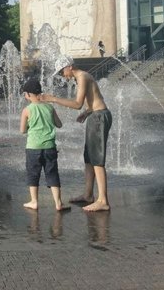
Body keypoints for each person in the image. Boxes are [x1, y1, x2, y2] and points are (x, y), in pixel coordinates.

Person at [41, 55, 113, 212]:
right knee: (89, 157)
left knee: (97, 159)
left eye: (61, 72)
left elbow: (77, 104)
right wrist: (87, 113)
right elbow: (93, 100)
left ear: (69, 67)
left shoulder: (82, 77)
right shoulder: (82, 77)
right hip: (95, 115)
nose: (62, 76)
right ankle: (88, 195)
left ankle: (103, 200)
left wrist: (53, 99)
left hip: (100, 117)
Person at [19, 77, 69, 212]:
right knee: (52, 174)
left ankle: (34, 202)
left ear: (29, 95)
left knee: (33, 174)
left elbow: (23, 130)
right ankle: (58, 203)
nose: (24, 96)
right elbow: (59, 124)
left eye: (25, 93)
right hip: (49, 147)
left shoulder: (27, 110)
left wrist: (31, 126)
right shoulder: (50, 107)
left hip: (33, 148)